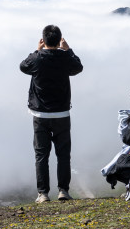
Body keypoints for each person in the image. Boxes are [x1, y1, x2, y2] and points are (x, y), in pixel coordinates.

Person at [19, 25, 83, 203]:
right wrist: (68, 50)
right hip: (62, 114)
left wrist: (36, 50)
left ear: (43, 40)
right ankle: (63, 190)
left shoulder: (37, 59)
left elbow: (23, 66)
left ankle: (43, 194)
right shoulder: (65, 58)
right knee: (63, 154)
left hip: (40, 115)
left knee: (41, 155)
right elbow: (78, 67)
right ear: (60, 39)